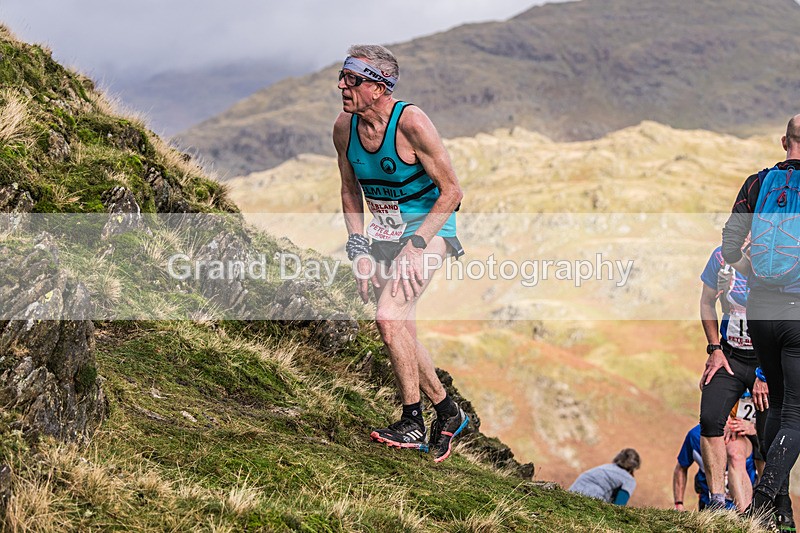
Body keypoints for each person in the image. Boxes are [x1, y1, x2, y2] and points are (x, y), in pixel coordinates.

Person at [332, 44, 468, 462]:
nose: (342, 85)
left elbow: (453, 192)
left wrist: (417, 246)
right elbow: (350, 189)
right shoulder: (344, 128)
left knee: (388, 316)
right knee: (401, 328)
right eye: (342, 76)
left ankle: (413, 422)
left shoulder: (411, 123)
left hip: (429, 230)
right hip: (384, 233)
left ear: (379, 87)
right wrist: (359, 249)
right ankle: (448, 411)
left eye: (352, 79)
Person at [722, 114, 800, 530]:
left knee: (775, 407)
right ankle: (762, 502)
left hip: (760, 312)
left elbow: (729, 245)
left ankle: (781, 513)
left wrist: (750, 270)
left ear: (782, 141)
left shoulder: (757, 183)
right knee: (796, 413)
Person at [698, 245, 769, 511]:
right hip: (731, 355)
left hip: (767, 360)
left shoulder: (779, 261)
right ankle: (717, 503)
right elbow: (706, 302)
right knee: (709, 418)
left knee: (766, 437)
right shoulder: (721, 256)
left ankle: (770, 509)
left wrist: (766, 371)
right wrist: (715, 348)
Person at [673, 423, 757, 511]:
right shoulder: (694, 436)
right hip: (708, 506)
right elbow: (681, 468)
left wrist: (755, 428)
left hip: (744, 509)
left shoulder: (745, 431)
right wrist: (679, 504)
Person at [569, 448, 640, 505]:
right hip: (590, 502)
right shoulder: (629, 479)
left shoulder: (605, 467)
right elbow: (619, 506)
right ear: (634, 467)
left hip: (569, 495)